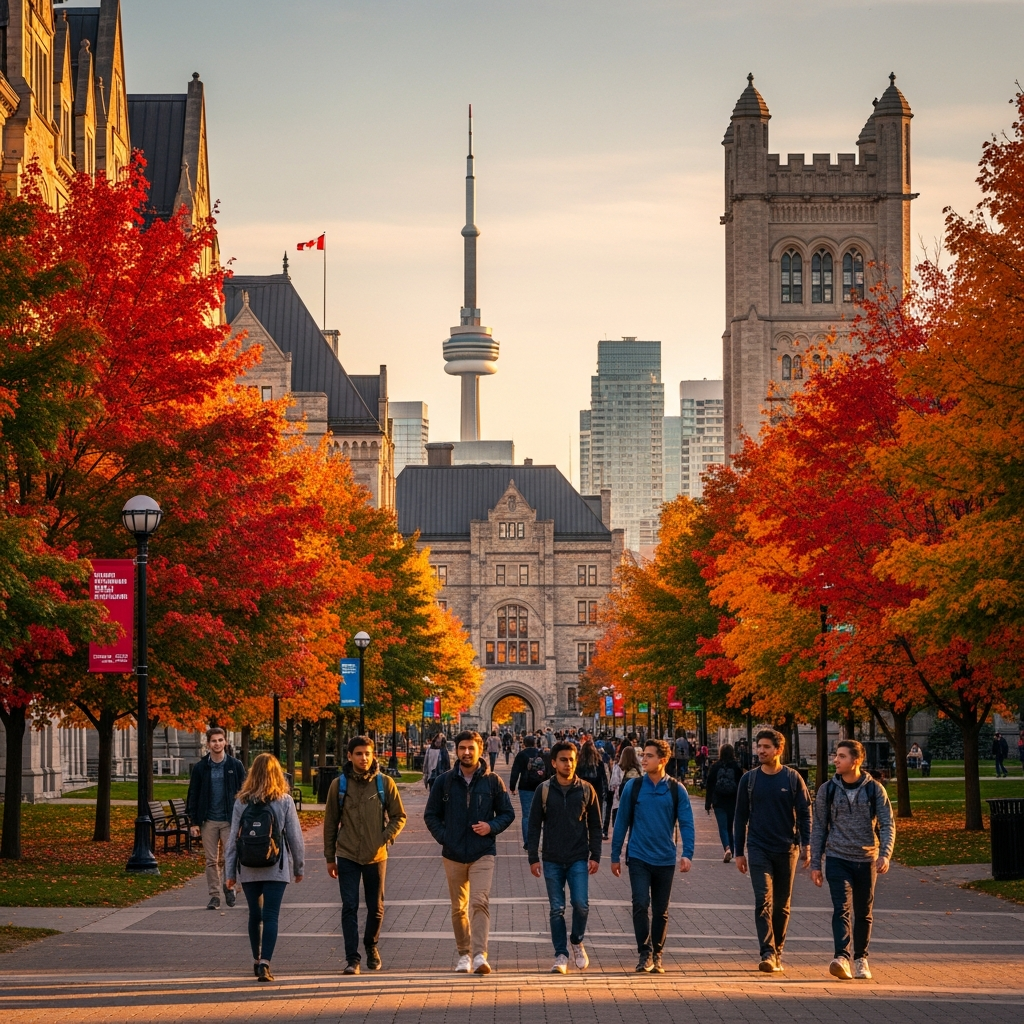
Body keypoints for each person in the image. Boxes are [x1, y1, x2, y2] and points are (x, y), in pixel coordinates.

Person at [424, 730, 515, 974]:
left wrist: (491, 826)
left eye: (471, 748)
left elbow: (508, 813)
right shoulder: (444, 781)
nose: (466, 752)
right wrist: (445, 837)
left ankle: (479, 956)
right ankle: (463, 954)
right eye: (462, 748)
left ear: (480, 749)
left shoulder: (493, 781)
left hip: (482, 851)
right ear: (456, 750)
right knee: (458, 907)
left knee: (479, 901)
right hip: (453, 853)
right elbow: (430, 814)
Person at [811, 739, 895, 981]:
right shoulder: (827, 789)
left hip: (866, 859)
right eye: (836, 755)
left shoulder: (874, 789)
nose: (835, 760)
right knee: (841, 908)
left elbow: (888, 824)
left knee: (864, 911)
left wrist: (885, 854)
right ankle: (841, 958)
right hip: (837, 857)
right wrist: (816, 864)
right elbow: (818, 827)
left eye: (841, 756)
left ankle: (861, 958)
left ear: (856, 761)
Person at [323, 735, 407, 975]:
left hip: (376, 855)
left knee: (376, 907)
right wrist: (330, 857)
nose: (364, 758)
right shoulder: (339, 785)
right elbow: (330, 823)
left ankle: (371, 945)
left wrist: (384, 837)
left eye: (368, 754)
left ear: (374, 756)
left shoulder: (385, 783)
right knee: (349, 906)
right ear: (349, 756)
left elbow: (399, 816)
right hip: (347, 853)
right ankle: (352, 958)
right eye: (359, 754)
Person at [611, 739, 694, 973]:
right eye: (643, 755)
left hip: (665, 858)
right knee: (639, 903)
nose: (643, 760)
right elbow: (622, 822)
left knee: (660, 909)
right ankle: (644, 952)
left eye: (649, 756)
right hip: (638, 856)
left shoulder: (676, 790)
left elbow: (686, 823)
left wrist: (687, 853)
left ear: (663, 760)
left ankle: (658, 952)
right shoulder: (634, 787)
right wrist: (615, 854)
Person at [733, 728, 812, 974]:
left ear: (778, 750)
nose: (761, 751)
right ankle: (767, 953)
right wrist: (739, 851)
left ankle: (778, 950)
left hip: (787, 849)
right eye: (759, 746)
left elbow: (806, 813)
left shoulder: (792, 778)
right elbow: (740, 817)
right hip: (758, 847)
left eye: (766, 747)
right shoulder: (749, 780)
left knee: (782, 905)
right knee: (762, 900)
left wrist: (807, 844)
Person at [224, 753, 304, 983]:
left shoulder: (241, 801)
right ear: (277, 773)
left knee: (254, 915)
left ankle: (256, 959)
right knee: (271, 916)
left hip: (248, 866)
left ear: (252, 774)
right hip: (276, 867)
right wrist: (298, 867)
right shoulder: (285, 801)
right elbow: (295, 837)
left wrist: (230, 874)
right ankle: (266, 963)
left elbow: (232, 839)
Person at [527, 741, 603, 974]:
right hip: (551, 858)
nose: (567, 764)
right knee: (556, 908)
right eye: (563, 759)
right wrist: (533, 857)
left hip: (578, 857)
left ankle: (577, 939)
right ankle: (561, 954)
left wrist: (595, 855)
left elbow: (595, 826)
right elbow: (534, 825)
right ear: (553, 762)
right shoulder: (544, 790)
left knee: (581, 904)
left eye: (571, 759)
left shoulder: (587, 789)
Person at [186, 726, 247, 910]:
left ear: (225, 742)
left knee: (230, 857)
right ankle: (214, 896)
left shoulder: (235, 766)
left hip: (230, 820)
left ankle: (229, 887)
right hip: (209, 821)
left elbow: (244, 794)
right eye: (214, 741)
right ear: (208, 743)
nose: (217, 744)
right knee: (211, 860)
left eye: (220, 740)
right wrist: (194, 822)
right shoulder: (201, 768)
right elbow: (193, 795)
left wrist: (243, 820)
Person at [705, 743, 744, 862]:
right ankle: (731, 849)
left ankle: (727, 848)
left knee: (722, 827)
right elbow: (741, 785)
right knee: (730, 827)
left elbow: (709, 785)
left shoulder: (715, 766)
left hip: (718, 801)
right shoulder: (736, 767)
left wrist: (708, 803)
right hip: (733, 801)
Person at [509, 735, 550, 847]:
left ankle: (528, 841)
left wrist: (512, 787)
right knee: (543, 814)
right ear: (535, 743)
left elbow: (515, 771)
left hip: (525, 786)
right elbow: (548, 770)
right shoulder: (541, 754)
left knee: (526, 815)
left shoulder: (521, 755)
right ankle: (543, 840)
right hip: (541, 786)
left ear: (524, 744)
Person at [608, 745, 641, 839]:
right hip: (635, 802)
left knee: (619, 827)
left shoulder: (618, 767)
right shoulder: (638, 768)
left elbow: (613, 784)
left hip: (620, 801)